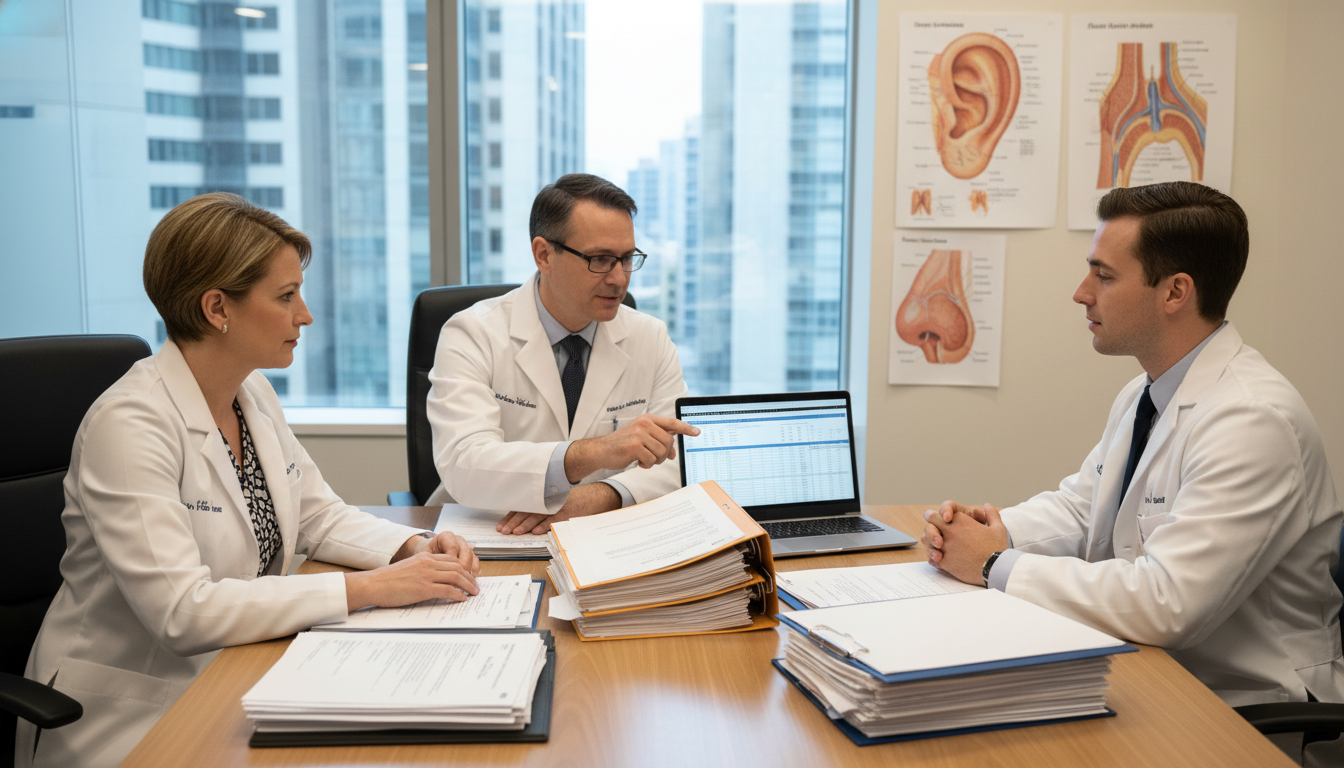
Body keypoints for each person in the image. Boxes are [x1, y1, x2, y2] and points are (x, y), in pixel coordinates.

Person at [17, 193, 481, 768]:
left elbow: (317, 515)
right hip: (129, 714)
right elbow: (184, 613)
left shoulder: (248, 392)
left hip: (236, 673)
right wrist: (370, 589)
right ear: (217, 308)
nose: (305, 315)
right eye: (286, 297)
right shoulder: (129, 426)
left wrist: (411, 548)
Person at [922, 181, 1344, 748]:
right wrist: (989, 530)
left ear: (1175, 292)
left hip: (1245, 712)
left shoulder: (1252, 420)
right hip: (1159, 678)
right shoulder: (1147, 393)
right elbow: (1083, 505)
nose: (1081, 293)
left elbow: (1168, 604)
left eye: (1104, 275)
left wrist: (994, 563)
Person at [425, 173, 699, 534]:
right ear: (544, 255)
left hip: (604, 531)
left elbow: (681, 459)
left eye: (627, 258)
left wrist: (599, 497)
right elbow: (465, 463)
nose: (619, 278)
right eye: (600, 259)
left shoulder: (650, 337)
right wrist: (598, 451)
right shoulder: (473, 333)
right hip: (487, 534)